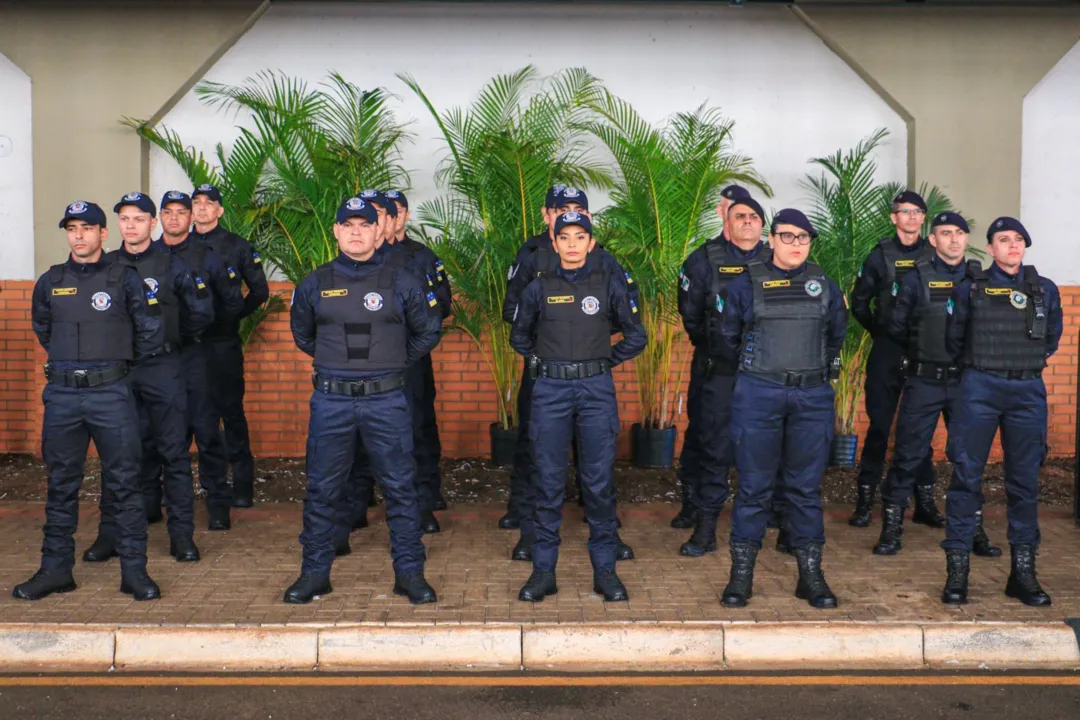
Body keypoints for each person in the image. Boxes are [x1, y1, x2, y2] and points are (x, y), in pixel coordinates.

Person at [285, 195, 442, 604]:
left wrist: (391, 363)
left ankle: (410, 575)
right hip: (332, 401)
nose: (356, 232)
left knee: (401, 490)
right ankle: (314, 574)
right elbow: (303, 335)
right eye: (348, 225)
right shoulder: (315, 282)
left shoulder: (403, 280)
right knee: (322, 489)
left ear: (379, 230)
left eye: (365, 225)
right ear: (336, 231)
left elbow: (428, 331)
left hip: (386, 400)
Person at [14, 201, 162, 601]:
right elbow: (44, 330)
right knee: (60, 485)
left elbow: (149, 331)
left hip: (111, 393)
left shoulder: (124, 278)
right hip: (63, 395)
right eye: (72, 228)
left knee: (125, 484)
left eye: (87, 228)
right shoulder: (50, 281)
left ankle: (134, 572)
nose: (78, 235)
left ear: (103, 234)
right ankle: (55, 570)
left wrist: (112, 370)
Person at [510, 211, 647, 602]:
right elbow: (519, 336)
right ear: (553, 243)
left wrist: (604, 361)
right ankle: (543, 573)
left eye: (580, 237)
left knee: (599, 483)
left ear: (591, 244)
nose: (572, 244)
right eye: (564, 237)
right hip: (550, 390)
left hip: (595, 390)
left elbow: (636, 336)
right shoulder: (537, 288)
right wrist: (546, 363)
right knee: (548, 483)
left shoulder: (608, 285)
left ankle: (605, 572)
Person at [714, 209, 847, 609]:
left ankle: (811, 577)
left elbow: (835, 336)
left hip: (811, 396)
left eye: (803, 238)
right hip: (759, 394)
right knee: (753, 487)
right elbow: (727, 338)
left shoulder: (823, 284)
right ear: (771, 240)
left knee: (805, 490)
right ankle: (741, 578)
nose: (795, 245)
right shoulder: (744, 284)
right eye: (787, 237)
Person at [83, 192, 214, 565]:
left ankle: (182, 538)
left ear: (152, 223)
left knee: (173, 453)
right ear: (117, 225)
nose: (131, 225)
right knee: (117, 457)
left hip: (163, 368)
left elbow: (199, 314)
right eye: (125, 219)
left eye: (139, 219)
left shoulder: (171, 264)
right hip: (119, 372)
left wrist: (167, 339)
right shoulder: (104, 266)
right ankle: (110, 536)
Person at [940, 216, 1061, 607]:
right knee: (966, 478)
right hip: (980, 386)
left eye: (1018, 239)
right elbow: (954, 337)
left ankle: (1022, 573)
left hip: (1027, 389)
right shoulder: (970, 289)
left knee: (1024, 483)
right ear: (989, 248)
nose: (1012, 245)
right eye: (1003, 239)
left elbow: (1051, 337)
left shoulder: (1045, 290)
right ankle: (957, 573)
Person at [874, 212, 1001, 558]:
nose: (955, 239)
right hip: (924, 381)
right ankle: (891, 530)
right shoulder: (916, 278)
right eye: (946, 233)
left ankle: (973, 530)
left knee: (968, 459)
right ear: (933, 240)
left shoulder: (980, 278)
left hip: (966, 384)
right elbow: (897, 327)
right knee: (907, 455)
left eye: (960, 232)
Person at [332, 189, 448, 548]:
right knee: (356, 436)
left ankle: (421, 505)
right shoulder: (352, 261)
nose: (379, 221)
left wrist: (404, 349)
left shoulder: (416, 258)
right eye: (374, 214)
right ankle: (355, 506)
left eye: (384, 214)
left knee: (411, 432)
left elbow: (437, 310)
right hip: (358, 364)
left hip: (406, 361)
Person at [677, 191, 776, 557]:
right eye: (740, 216)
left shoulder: (778, 259)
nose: (747, 221)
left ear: (763, 225)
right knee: (713, 447)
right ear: (727, 222)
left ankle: (768, 518)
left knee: (767, 447)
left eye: (754, 216)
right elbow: (691, 318)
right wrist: (723, 348)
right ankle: (704, 526)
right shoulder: (704, 260)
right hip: (719, 372)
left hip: (766, 376)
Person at [849, 191, 941, 528]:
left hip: (924, 350)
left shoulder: (935, 255)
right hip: (889, 348)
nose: (913, 217)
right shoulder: (879, 256)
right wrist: (880, 333)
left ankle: (925, 503)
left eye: (918, 212)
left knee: (919, 428)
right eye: (906, 211)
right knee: (880, 426)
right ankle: (864, 503)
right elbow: (860, 302)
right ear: (894, 218)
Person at [159, 190, 244, 530]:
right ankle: (160, 504)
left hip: (201, 352)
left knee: (208, 431)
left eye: (182, 211)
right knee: (162, 434)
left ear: (191, 216)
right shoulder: (149, 256)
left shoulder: (207, 256)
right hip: (160, 360)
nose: (175, 217)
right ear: (160, 218)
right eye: (168, 211)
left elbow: (232, 303)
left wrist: (205, 331)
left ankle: (218, 504)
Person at [191, 183, 269, 508]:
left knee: (231, 414)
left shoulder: (237, 246)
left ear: (220, 210)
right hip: (188, 347)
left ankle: (242, 484)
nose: (203, 208)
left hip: (223, 344)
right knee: (192, 417)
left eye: (209, 203)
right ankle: (205, 485)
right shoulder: (176, 246)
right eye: (196, 203)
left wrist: (234, 315)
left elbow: (260, 291)